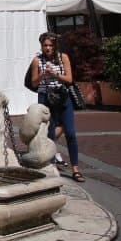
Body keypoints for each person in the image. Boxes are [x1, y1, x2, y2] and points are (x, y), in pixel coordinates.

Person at [30, 32, 83, 182]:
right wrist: (43, 75)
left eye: (50, 45)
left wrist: (55, 74)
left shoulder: (63, 58)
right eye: (45, 45)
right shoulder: (37, 61)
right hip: (46, 98)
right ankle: (52, 166)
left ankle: (75, 169)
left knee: (71, 133)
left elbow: (69, 79)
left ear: (55, 46)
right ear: (41, 46)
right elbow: (34, 83)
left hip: (63, 98)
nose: (48, 48)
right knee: (50, 134)